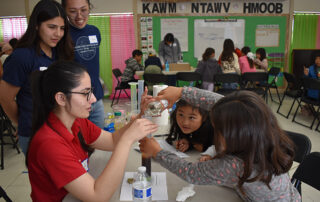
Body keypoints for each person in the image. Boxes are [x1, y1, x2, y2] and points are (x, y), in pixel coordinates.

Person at [139, 86, 300, 202]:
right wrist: (182, 92)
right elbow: (225, 105)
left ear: (234, 137)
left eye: (218, 130)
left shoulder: (236, 165)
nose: (215, 133)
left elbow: (191, 172)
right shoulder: (264, 131)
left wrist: (157, 152)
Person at [27, 60, 158, 201]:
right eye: (85, 93)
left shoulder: (77, 121)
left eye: (92, 91)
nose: (94, 99)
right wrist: (127, 141)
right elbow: (97, 197)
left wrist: (138, 117)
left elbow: (112, 140)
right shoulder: (49, 144)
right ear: (61, 98)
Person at [0, 0, 74, 155]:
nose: (58, 34)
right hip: (35, 133)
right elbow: (5, 98)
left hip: (60, 128)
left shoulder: (59, 53)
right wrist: (22, 123)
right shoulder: (22, 57)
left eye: (62, 28)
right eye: (52, 27)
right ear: (36, 25)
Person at [62, 0, 105, 129]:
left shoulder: (94, 31)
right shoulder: (61, 35)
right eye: (73, 11)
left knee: (98, 139)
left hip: (95, 97)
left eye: (83, 10)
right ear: (65, 11)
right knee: (78, 143)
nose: (79, 16)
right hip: (74, 101)